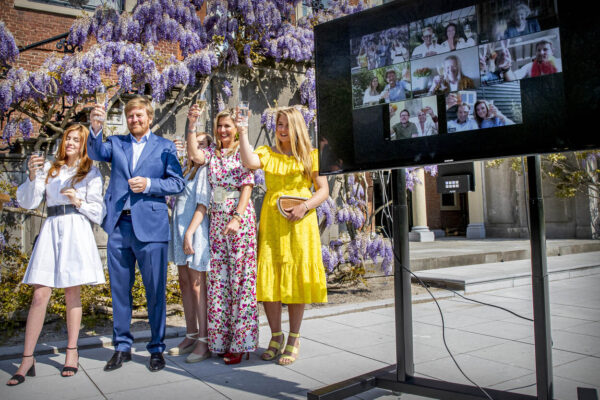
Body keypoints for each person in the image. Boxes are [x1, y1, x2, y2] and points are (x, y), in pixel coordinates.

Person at [88, 97, 185, 373]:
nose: (134, 120)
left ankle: (156, 349)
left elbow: (177, 183)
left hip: (152, 229)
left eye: (139, 115)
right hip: (119, 226)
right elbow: (95, 152)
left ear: (149, 118)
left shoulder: (164, 147)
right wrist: (96, 127)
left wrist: (150, 184)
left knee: (155, 291)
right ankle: (121, 347)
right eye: (130, 116)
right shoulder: (116, 143)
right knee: (120, 290)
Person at [7, 124, 106, 386]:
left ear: (84, 144)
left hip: (76, 229)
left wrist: (78, 200)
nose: (71, 142)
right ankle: (27, 358)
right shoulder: (51, 169)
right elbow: (28, 203)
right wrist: (31, 175)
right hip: (51, 229)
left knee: (72, 291)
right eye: (68, 138)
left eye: (76, 139)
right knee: (40, 294)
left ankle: (71, 352)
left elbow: (99, 212)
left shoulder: (91, 172)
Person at [237, 106, 329, 366]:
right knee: (271, 281)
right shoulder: (267, 152)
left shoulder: (310, 156)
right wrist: (243, 132)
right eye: (278, 124)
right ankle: (275, 336)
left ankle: (294, 338)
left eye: (286, 125)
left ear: (297, 127)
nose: (281, 130)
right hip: (272, 222)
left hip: (301, 224)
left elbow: (323, 191)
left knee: (296, 281)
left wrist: (305, 206)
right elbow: (249, 162)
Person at [186, 107, 258, 365]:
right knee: (219, 282)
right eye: (219, 126)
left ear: (235, 128)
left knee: (240, 280)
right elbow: (194, 154)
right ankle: (222, 340)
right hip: (216, 219)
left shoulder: (242, 152)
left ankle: (242, 343)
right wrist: (192, 124)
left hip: (238, 219)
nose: (223, 131)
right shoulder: (212, 155)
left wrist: (237, 217)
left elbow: (247, 185)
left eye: (228, 126)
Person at [167, 132, 212, 363]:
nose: (197, 149)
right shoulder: (186, 170)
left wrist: (189, 233)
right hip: (180, 228)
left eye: (202, 144)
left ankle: (204, 340)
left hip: (194, 230)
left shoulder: (205, 170)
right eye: (195, 144)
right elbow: (171, 193)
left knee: (197, 286)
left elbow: (203, 203)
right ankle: (191, 333)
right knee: (184, 283)